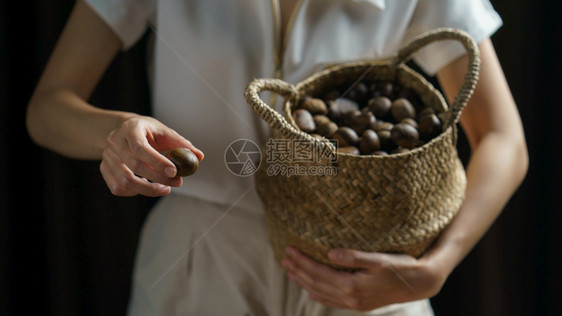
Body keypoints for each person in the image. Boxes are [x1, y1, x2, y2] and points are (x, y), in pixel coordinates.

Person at [26, 0, 528, 315]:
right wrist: (113, 133)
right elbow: (48, 106)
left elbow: (503, 136)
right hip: (199, 266)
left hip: (359, 278)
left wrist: (440, 264)